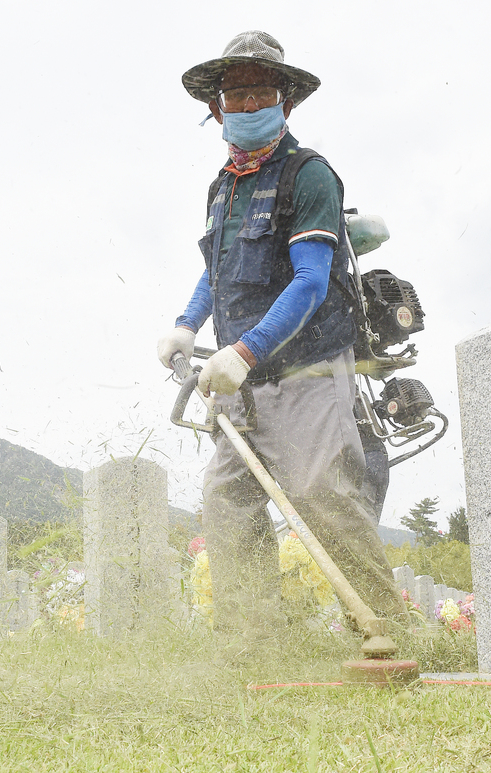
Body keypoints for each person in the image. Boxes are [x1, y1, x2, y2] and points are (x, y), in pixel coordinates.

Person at [158, 31, 409, 649]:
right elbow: (217, 270)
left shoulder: (310, 176)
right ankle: (255, 644)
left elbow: (311, 281)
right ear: (216, 108)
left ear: (285, 102)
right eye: (234, 95)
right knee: (227, 505)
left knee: (321, 493)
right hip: (238, 383)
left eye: (260, 92)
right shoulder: (224, 187)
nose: (246, 106)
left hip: (307, 374)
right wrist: (188, 324)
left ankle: (392, 632)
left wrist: (244, 351)